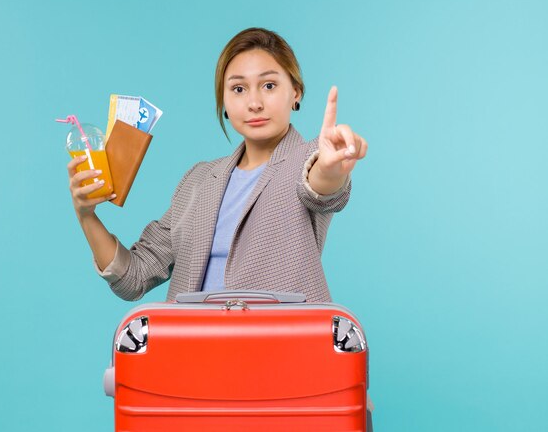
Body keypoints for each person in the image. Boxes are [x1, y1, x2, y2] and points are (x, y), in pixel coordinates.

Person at [66, 27, 367, 303]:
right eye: (238, 89)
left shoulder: (309, 157)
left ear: (295, 92)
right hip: (194, 350)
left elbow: (319, 187)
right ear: (223, 101)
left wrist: (330, 168)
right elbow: (133, 278)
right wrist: (86, 216)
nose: (254, 103)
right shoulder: (197, 181)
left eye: (269, 85)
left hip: (277, 352)